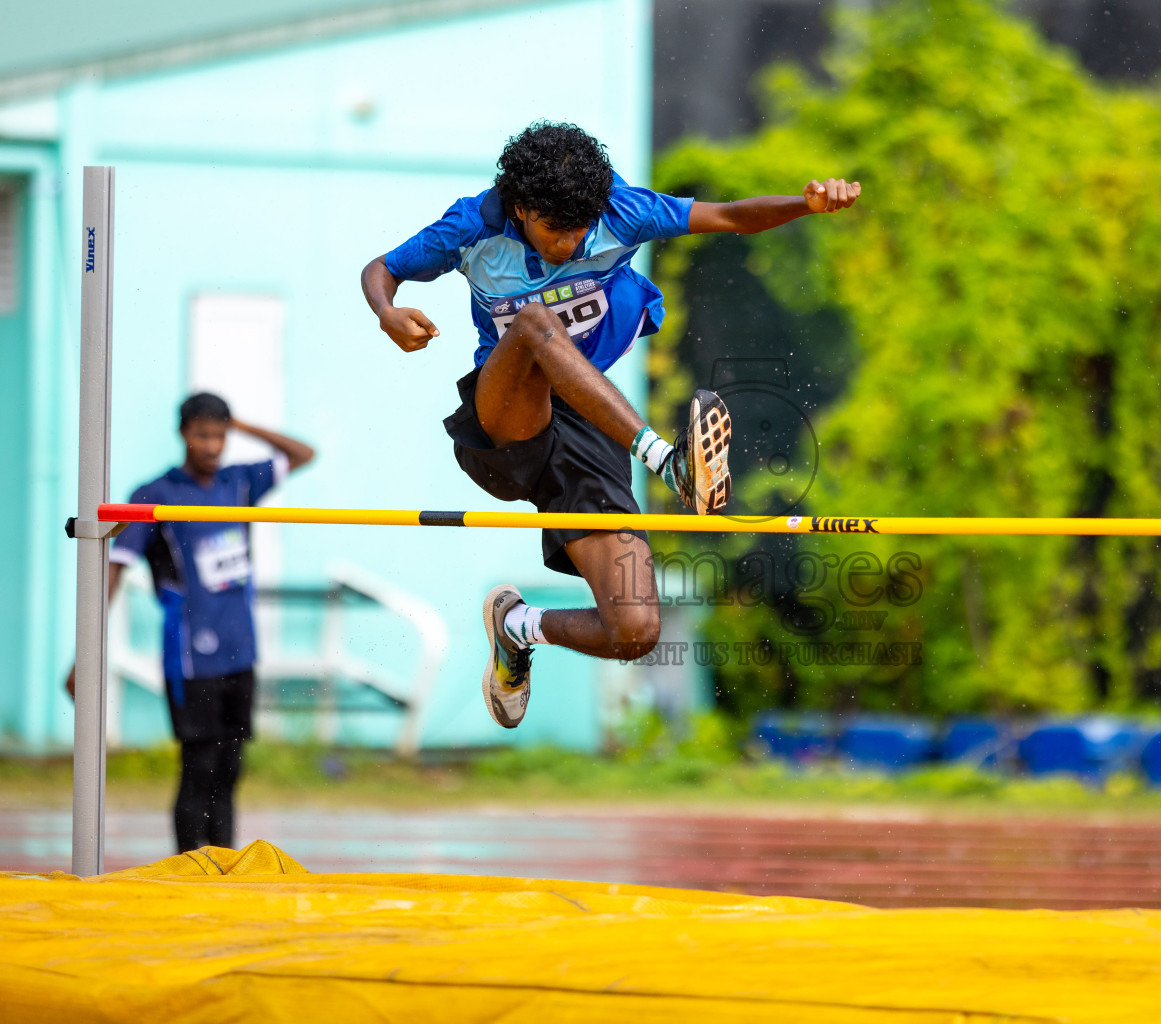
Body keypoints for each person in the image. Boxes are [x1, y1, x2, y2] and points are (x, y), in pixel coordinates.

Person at [360, 121, 860, 730]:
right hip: (506, 420)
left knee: (636, 630)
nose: (568, 245)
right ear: (520, 210)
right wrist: (388, 313)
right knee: (535, 324)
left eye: (578, 232)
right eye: (552, 231)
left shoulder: (625, 211)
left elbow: (731, 217)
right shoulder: (472, 226)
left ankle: (516, 628)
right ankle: (671, 463)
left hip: (591, 425)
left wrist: (804, 205)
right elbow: (381, 269)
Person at [67, 393, 315, 853]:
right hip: (190, 657)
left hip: (241, 649)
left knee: (230, 769)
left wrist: (239, 422)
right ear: (183, 433)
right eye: (203, 434)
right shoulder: (155, 495)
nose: (212, 446)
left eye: (220, 435)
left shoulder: (240, 484)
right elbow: (115, 569)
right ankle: (189, 863)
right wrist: (86, 649)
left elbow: (303, 454)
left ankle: (222, 864)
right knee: (198, 767)